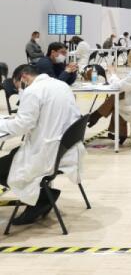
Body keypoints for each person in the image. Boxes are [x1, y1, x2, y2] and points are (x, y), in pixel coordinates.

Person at [0, 64, 82, 225]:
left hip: (47, 152)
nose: (20, 91)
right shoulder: (61, 85)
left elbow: (22, 126)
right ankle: (43, 196)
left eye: (18, 87)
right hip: (65, 148)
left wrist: (2, 124)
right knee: (13, 154)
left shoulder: (33, 91)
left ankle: (43, 198)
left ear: (23, 77)